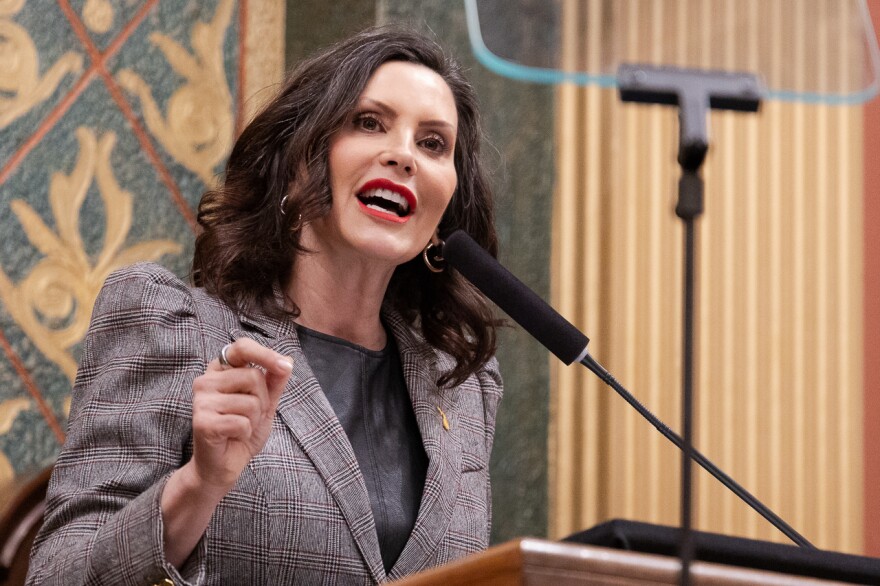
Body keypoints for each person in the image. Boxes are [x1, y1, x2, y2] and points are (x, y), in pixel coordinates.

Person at [26, 26, 502, 585]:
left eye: (432, 144)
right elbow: (55, 576)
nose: (403, 156)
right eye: (368, 122)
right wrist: (197, 485)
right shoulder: (175, 326)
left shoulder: (462, 385)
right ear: (297, 158)